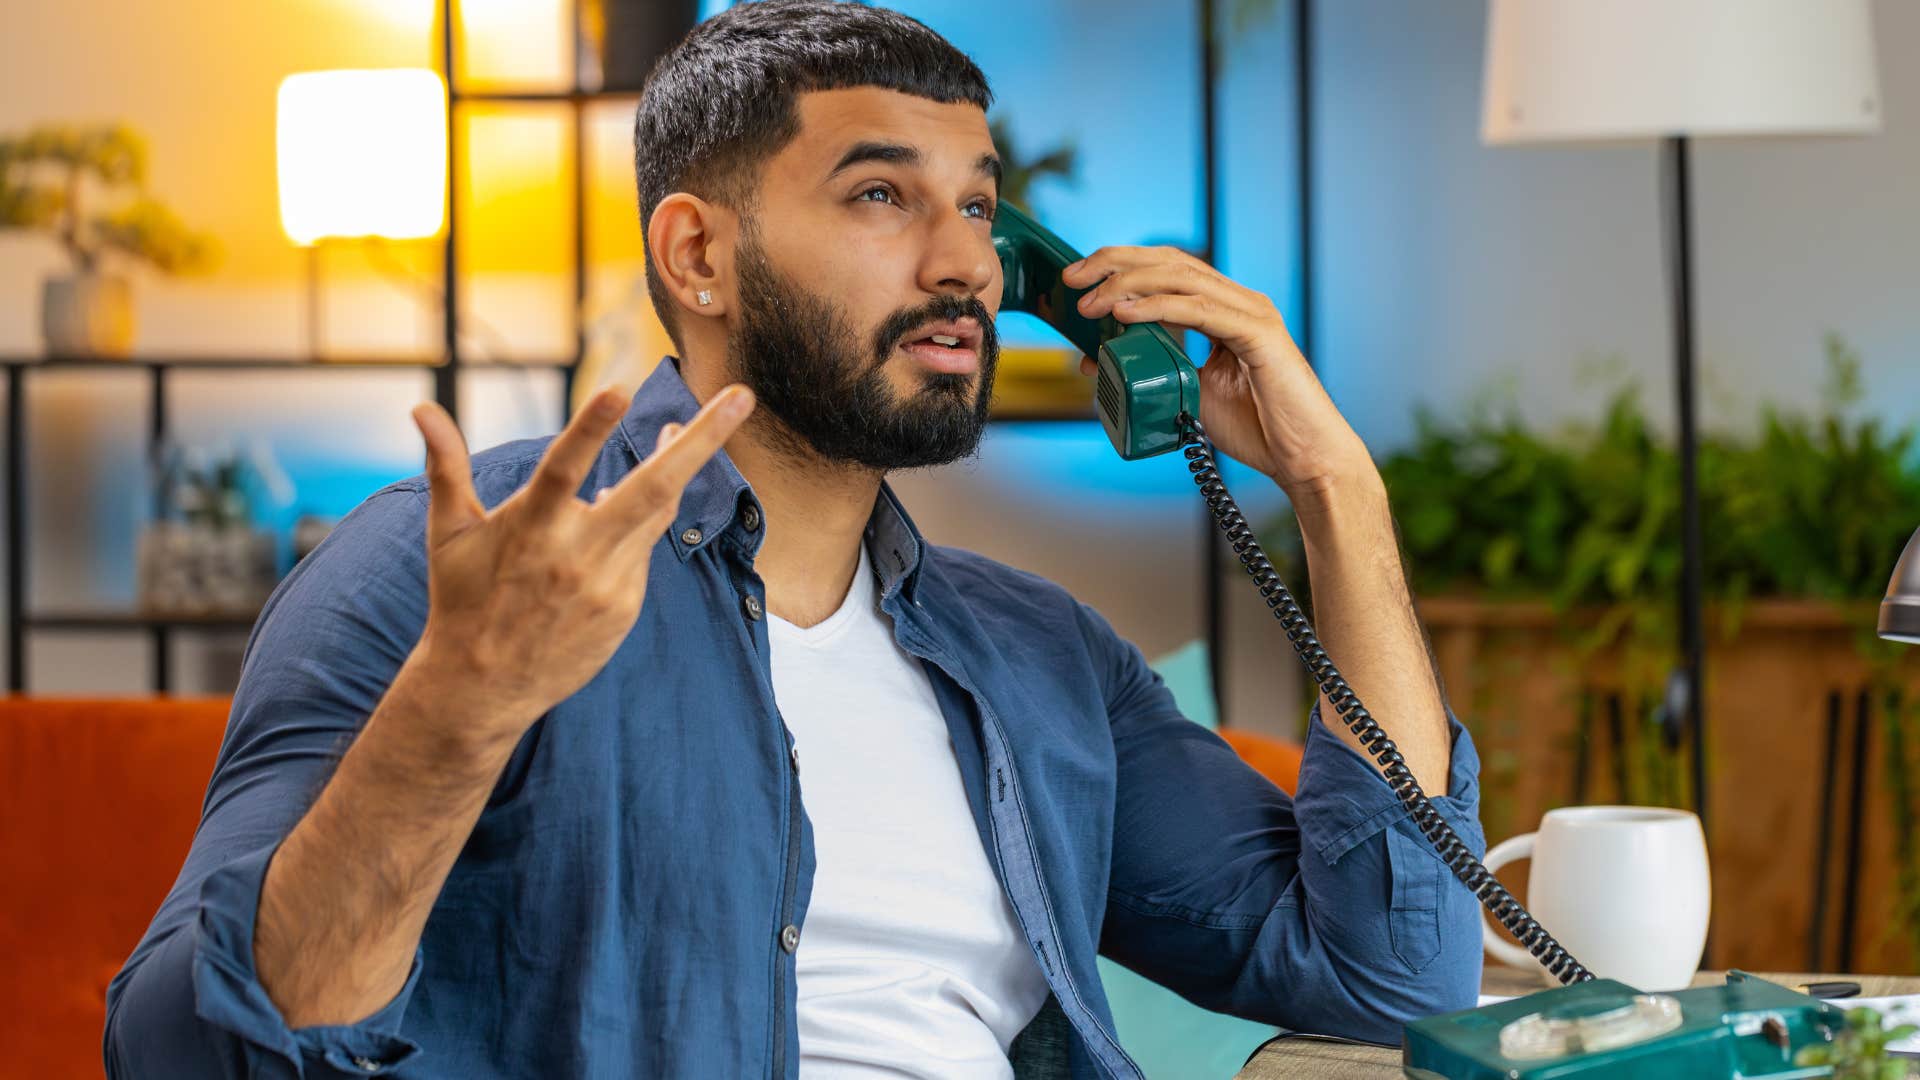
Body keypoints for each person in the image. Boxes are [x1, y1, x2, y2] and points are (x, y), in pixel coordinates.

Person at [103, 2, 1484, 1076]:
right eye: (882, 196)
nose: (965, 268)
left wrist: (1335, 493)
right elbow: (189, 1053)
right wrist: (457, 716)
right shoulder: (458, 579)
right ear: (697, 257)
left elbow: (1387, 976)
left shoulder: (1044, 660)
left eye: (982, 206)